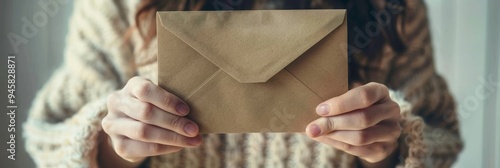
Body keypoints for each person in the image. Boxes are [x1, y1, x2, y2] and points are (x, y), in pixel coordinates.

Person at [24, 0, 463, 167]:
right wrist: (113, 142)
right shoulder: (116, 4)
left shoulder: (393, 7)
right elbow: (48, 136)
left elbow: (442, 135)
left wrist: (394, 146)